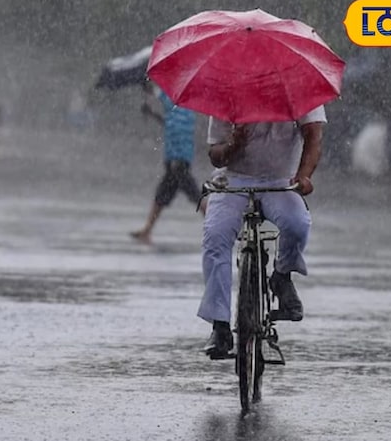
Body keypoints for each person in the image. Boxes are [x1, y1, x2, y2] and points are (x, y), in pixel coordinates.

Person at [200, 106, 326, 359]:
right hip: (234, 179)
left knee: (297, 225)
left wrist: (304, 176)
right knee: (215, 237)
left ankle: (282, 275)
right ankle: (220, 325)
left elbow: (313, 135)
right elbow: (215, 154)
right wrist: (232, 146)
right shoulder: (229, 91)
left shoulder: (298, 88)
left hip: (280, 181)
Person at [130, 82, 204, 244]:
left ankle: (217, 228)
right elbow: (169, 124)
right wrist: (151, 113)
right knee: (162, 196)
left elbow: (162, 100)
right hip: (176, 160)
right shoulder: (184, 110)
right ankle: (147, 230)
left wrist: (149, 90)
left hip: (178, 161)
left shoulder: (176, 101)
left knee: (195, 195)